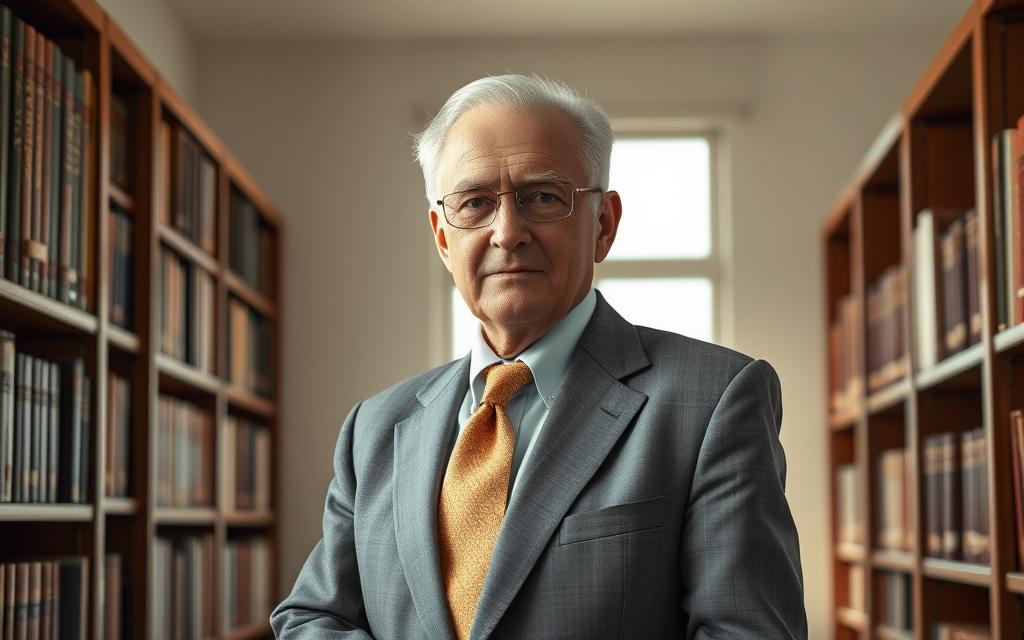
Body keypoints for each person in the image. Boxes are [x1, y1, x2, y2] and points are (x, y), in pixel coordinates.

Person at [271, 74, 807, 639]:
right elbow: (312, 616)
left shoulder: (715, 402)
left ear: (603, 224)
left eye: (543, 198)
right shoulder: (374, 429)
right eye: (474, 203)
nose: (507, 231)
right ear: (442, 237)